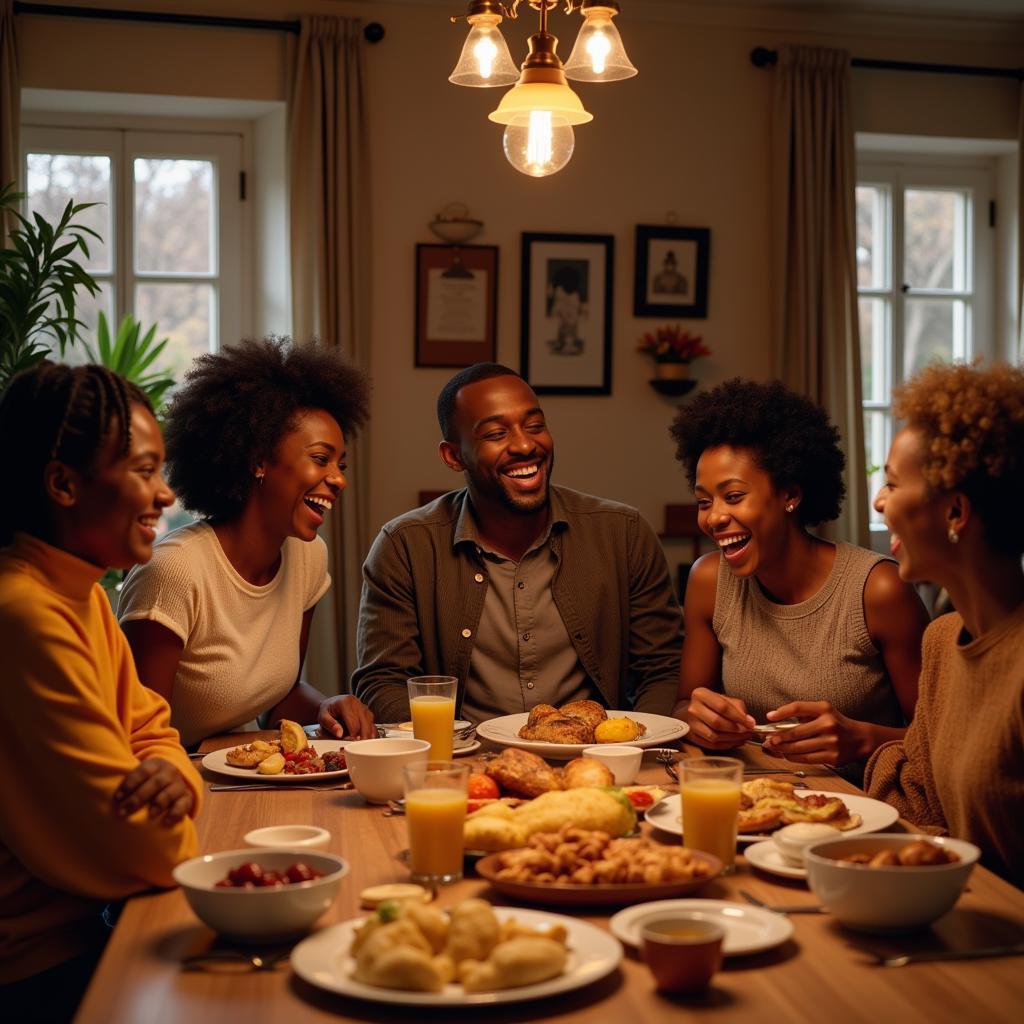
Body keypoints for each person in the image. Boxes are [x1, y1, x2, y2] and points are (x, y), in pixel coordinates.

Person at [0, 362, 201, 1019]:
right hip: (35, 971)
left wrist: (180, 777)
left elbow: (156, 735)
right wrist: (177, 795)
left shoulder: (78, 590)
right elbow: (151, 845)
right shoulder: (25, 613)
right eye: (144, 470)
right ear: (63, 483)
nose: (166, 494)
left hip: (91, 932)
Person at [339, 363, 683, 729]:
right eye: (495, 433)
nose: (524, 445)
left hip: (596, 763)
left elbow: (662, 668)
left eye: (535, 426)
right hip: (466, 766)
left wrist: (636, 743)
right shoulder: (404, 547)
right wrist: (453, 752)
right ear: (453, 456)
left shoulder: (624, 533)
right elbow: (383, 684)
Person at [118, 338, 375, 747]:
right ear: (258, 460)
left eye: (340, 464)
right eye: (321, 458)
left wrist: (327, 705)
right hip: (172, 782)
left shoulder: (308, 555)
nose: (339, 478)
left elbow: (278, 699)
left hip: (242, 774)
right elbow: (136, 737)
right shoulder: (173, 572)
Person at [670, 378, 929, 777]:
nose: (714, 517)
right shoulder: (708, 582)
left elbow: (936, 739)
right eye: (704, 501)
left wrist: (860, 740)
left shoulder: (878, 590)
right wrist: (701, 717)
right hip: (753, 798)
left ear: (789, 493)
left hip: (860, 811)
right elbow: (685, 705)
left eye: (734, 496)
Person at [867, 362, 1024, 886]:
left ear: (955, 512)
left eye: (891, 483)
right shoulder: (941, 639)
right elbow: (919, 795)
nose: (879, 501)